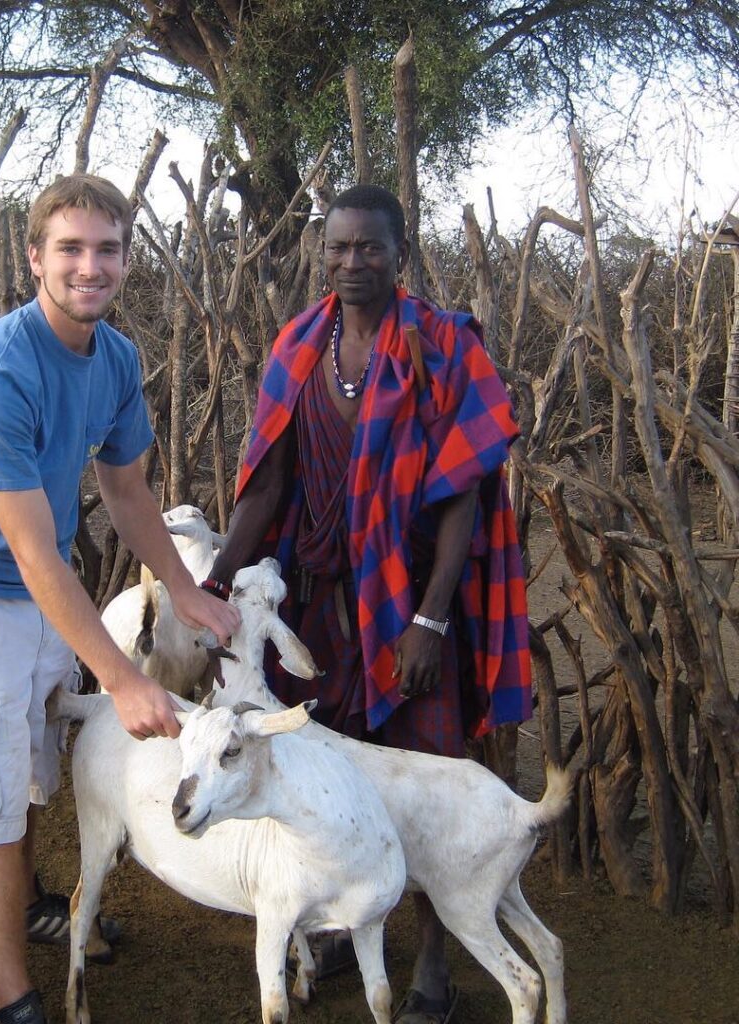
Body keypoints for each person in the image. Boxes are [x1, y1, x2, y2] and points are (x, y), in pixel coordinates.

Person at [0, 174, 240, 1024]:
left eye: (108, 250)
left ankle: (26, 903)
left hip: (36, 591)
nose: (91, 267)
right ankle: (13, 1003)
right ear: (35, 259)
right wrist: (123, 680)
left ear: (127, 259)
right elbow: (29, 549)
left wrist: (185, 589)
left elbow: (126, 491)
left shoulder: (116, 358)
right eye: (71, 249)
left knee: (20, 774)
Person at [206, 184, 531, 1024]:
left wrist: (430, 619)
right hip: (320, 611)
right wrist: (214, 586)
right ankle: (350, 929)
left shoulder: (442, 347)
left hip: (411, 610)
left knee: (423, 783)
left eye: (370, 248)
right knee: (328, 773)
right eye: (339, 247)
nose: (353, 263)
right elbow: (267, 479)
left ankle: (432, 967)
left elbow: (463, 497)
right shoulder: (301, 346)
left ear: (400, 252)